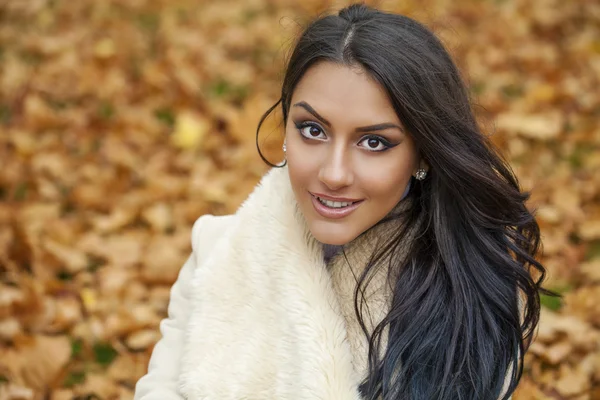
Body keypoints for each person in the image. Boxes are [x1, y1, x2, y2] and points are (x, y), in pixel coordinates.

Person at [133, 3, 551, 399]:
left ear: (423, 153)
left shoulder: (474, 282)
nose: (333, 174)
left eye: (374, 142)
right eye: (313, 130)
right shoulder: (216, 250)